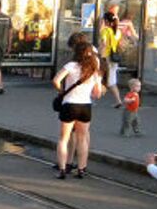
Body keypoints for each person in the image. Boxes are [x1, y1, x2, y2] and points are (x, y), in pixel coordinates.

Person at [52, 41, 103, 179]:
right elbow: (97, 93)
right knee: (82, 139)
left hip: (70, 104)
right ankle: (81, 169)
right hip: (86, 106)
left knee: (64, 139)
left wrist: (62, 91)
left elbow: (56, 80)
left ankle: (62, 169)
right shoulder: (94, 69)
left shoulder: (71, 66)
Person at [99, 11, 124, 108]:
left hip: (106, 57)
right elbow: (120, 45)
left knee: (104, 79)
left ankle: (91, 97)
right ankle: (118, 101)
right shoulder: (118, 32)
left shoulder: (105, 31)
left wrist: (98, 53)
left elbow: (104, 44)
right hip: (114, 57)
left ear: (105, 21)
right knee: (109, 79)